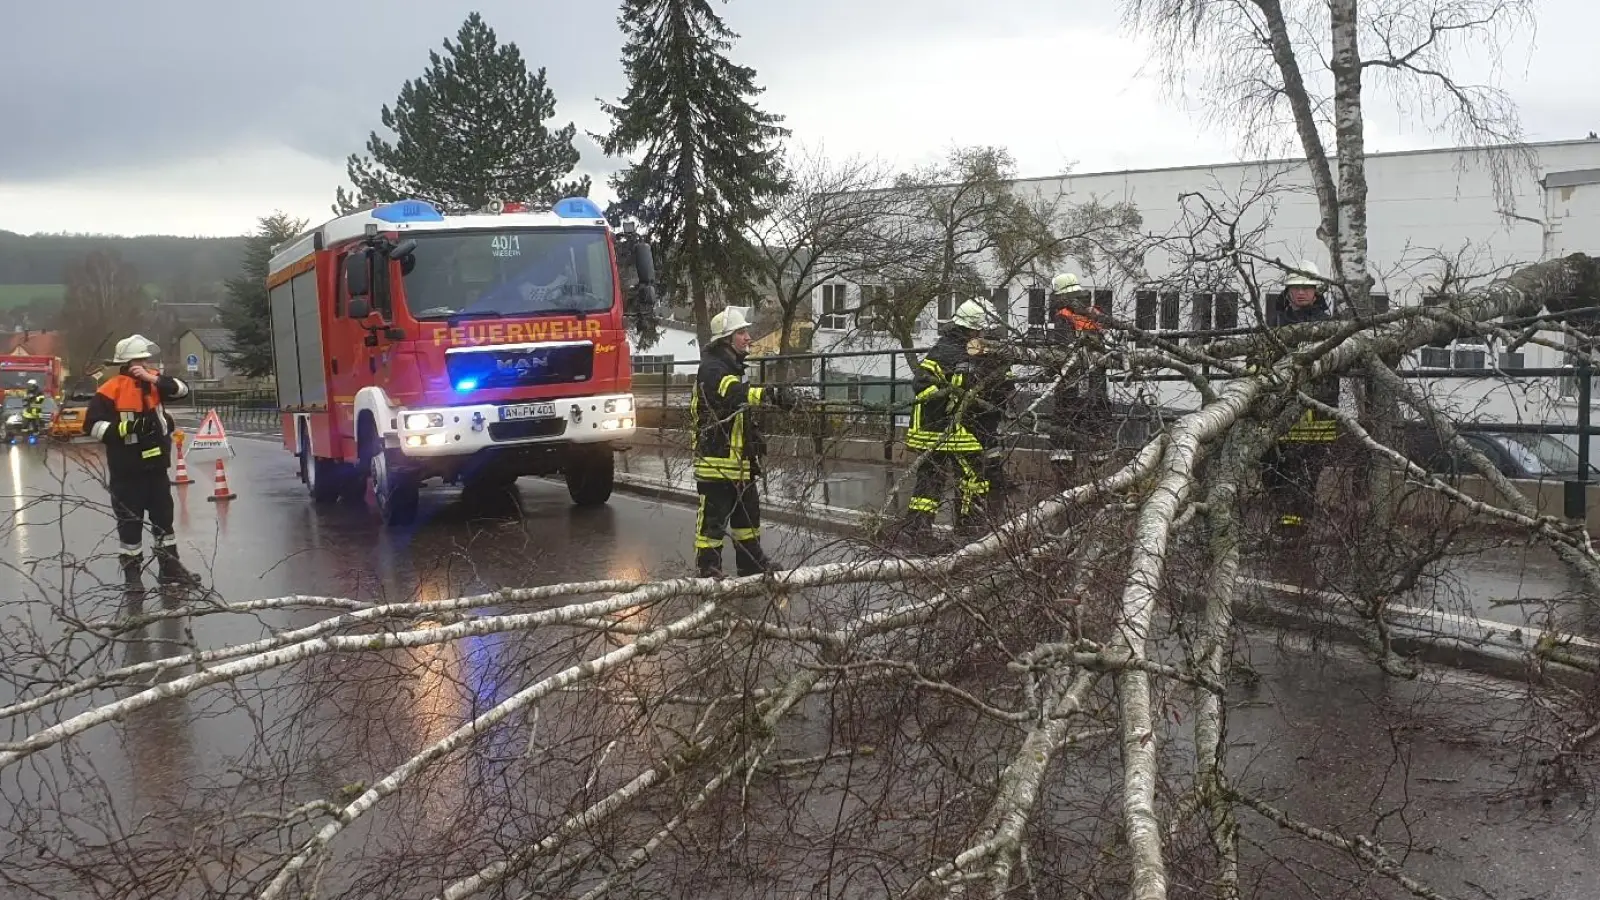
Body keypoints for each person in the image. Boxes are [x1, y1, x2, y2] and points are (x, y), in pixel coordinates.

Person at [690, 306, 800, 577]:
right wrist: (769, 395)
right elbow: (733, 393)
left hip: (739, 463)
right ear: (726, 339)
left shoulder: (731, 368)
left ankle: (751, 563)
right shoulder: (712, 370)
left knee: (747, 518)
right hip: (716, 462)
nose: (748, 337)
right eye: (741, 332)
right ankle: (708, 568)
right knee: (713, 522)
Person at [84, 335, 202, 586]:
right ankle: (132, 576)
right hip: (127, 471)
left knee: (164, 521)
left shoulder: (154, 385)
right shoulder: (110, 390)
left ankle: (170, 569)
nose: (148, 364)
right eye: (143, 360)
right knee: (130, 525)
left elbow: (182, 389)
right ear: (130, 363)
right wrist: (129, 428)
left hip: (156, 468)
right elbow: (92, 426)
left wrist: (154, 378)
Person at [902, 299, 994, 539]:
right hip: (945, 425)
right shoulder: (959, 353)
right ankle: (969, 528)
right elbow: (930, 386)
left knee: (930, 479)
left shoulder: (947, 347)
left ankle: (917, 529)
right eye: (981, 330)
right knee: (973, 474)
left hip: (930, 424)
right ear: (973, 329)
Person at [1262, 261, 1339, 541]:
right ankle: (1284, 520)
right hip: (1280, 409)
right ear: (1288, 291)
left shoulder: (1330, 327)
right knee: (1272, 467)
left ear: (1317, 291)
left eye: (1307, 287)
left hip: (1317, 412)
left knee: (1305, 474)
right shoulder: (1276, 324)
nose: (1301, 293)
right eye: (1296, 287)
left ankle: (1296, 529)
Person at [1043, 273, 1111, 469]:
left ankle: (1063, 472)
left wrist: (1051, 371)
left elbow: (1060, 352)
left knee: (1064, 422)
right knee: (1097, 424)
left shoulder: (1063, 317)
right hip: (1096, 383)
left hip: (1071, 383)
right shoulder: (1095, 314)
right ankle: (1099, 472)